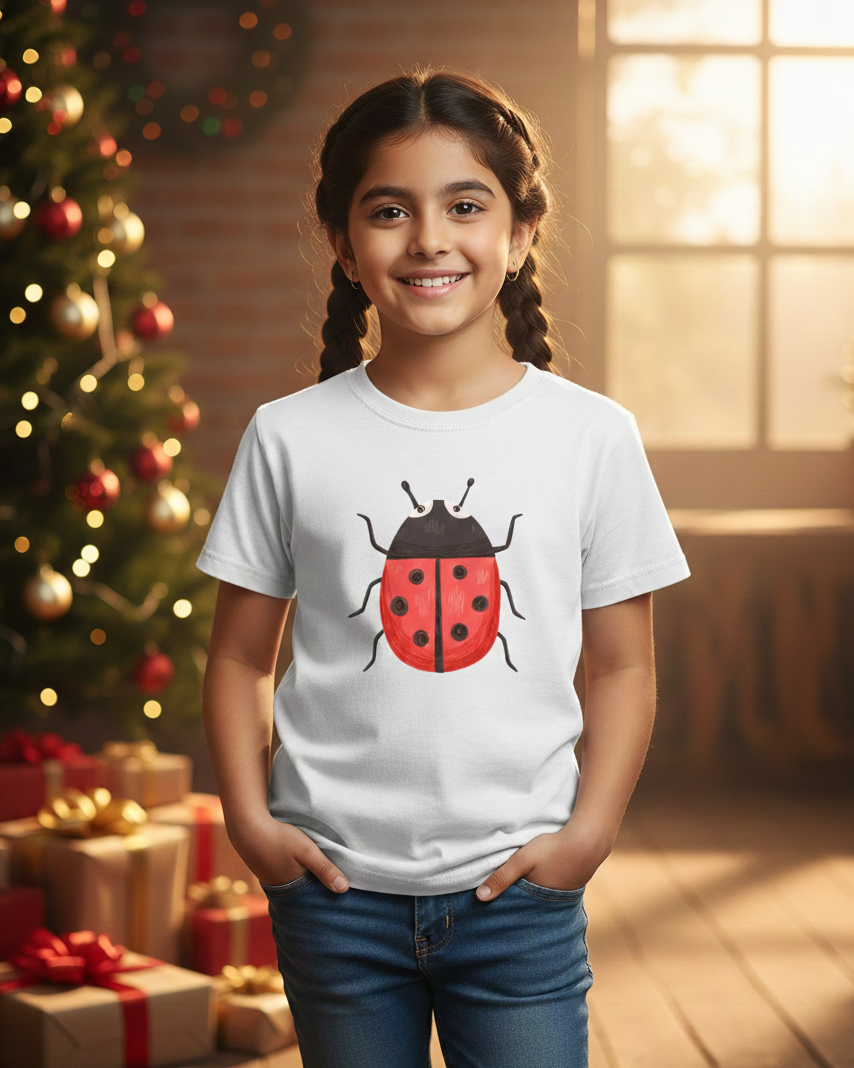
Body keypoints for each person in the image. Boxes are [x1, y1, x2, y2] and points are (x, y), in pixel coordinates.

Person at [197, 68, 690, 1068]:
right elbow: (241, 656)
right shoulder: (288, 436)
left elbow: (623, 666)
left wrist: (584, 838)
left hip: (518, 894)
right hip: (332, 893)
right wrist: (251, 825)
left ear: (517, 233)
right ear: (342, 239)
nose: (428, 238)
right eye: (389, 210)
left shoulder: (591, 438)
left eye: (464, 205)